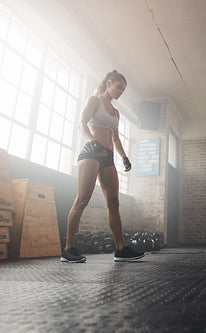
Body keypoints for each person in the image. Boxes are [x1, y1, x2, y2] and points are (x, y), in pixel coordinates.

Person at [61, 70, 144, 263]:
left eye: (123, 89)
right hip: (91, 153)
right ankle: (68, 248)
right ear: (108, 84)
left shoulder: (116, 113)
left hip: (108, 157)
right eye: (119, 87)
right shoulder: (94, 101)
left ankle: (121, 248)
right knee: (82, 199)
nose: (121, 92)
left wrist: (124, 157)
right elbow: (81, 123)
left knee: (113, 202)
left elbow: (115, 138)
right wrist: (93, 141)